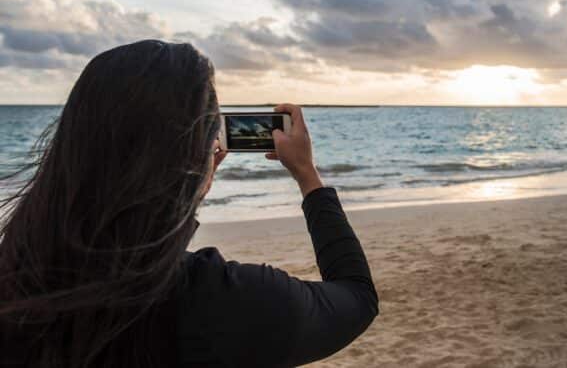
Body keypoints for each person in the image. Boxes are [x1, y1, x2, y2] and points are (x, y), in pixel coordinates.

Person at [0, 40, 378, 367]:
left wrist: (189, 182)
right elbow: (357, 297)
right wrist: (307, 176)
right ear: (194, 156)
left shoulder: (18, 277)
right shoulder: (229, 300)